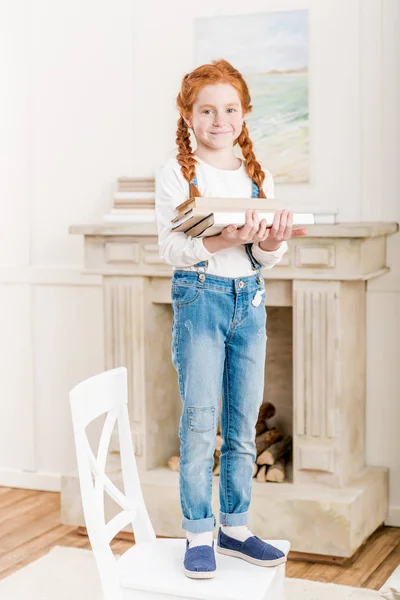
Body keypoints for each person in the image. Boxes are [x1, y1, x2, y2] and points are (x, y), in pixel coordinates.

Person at [155, 59, 307, 579]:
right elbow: (172, 248)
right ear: (189, 116)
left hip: (251, 300)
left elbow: (265, 257)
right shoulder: (179, 173)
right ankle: (199, 533)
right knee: (201, 422)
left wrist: (267, 242)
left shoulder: (258, 175)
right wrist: (223, 239)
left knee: (241, 426)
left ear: (244, 114)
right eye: (207, 110)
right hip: (201, 298)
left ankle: (235, 528)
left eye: (230, 109)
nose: (220, 119)